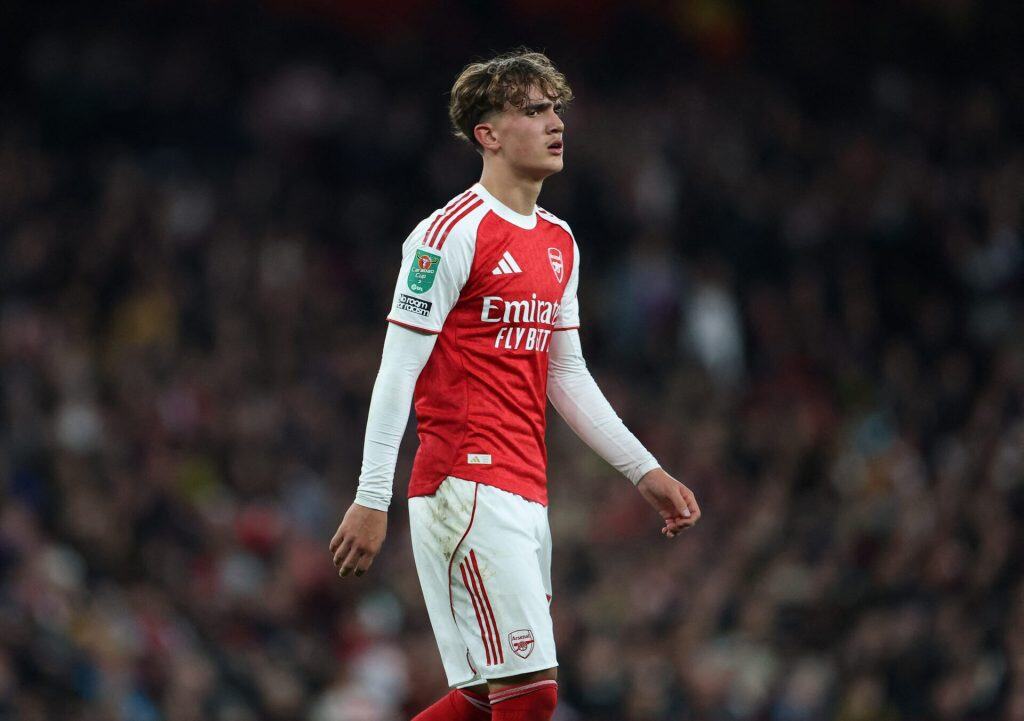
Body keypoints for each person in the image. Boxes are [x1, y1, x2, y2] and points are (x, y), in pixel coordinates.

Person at [329, 49, 701, 721]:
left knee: (481, 700)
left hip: (526, 489)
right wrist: (369, 496)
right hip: (464, 484)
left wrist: (645, 470)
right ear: (488, 134)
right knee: (532, 693)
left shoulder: (560, 241)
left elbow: (565, 372)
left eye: (555, 108)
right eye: (533, 110)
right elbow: (397, 367)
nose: (555, 122)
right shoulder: (447, 235)